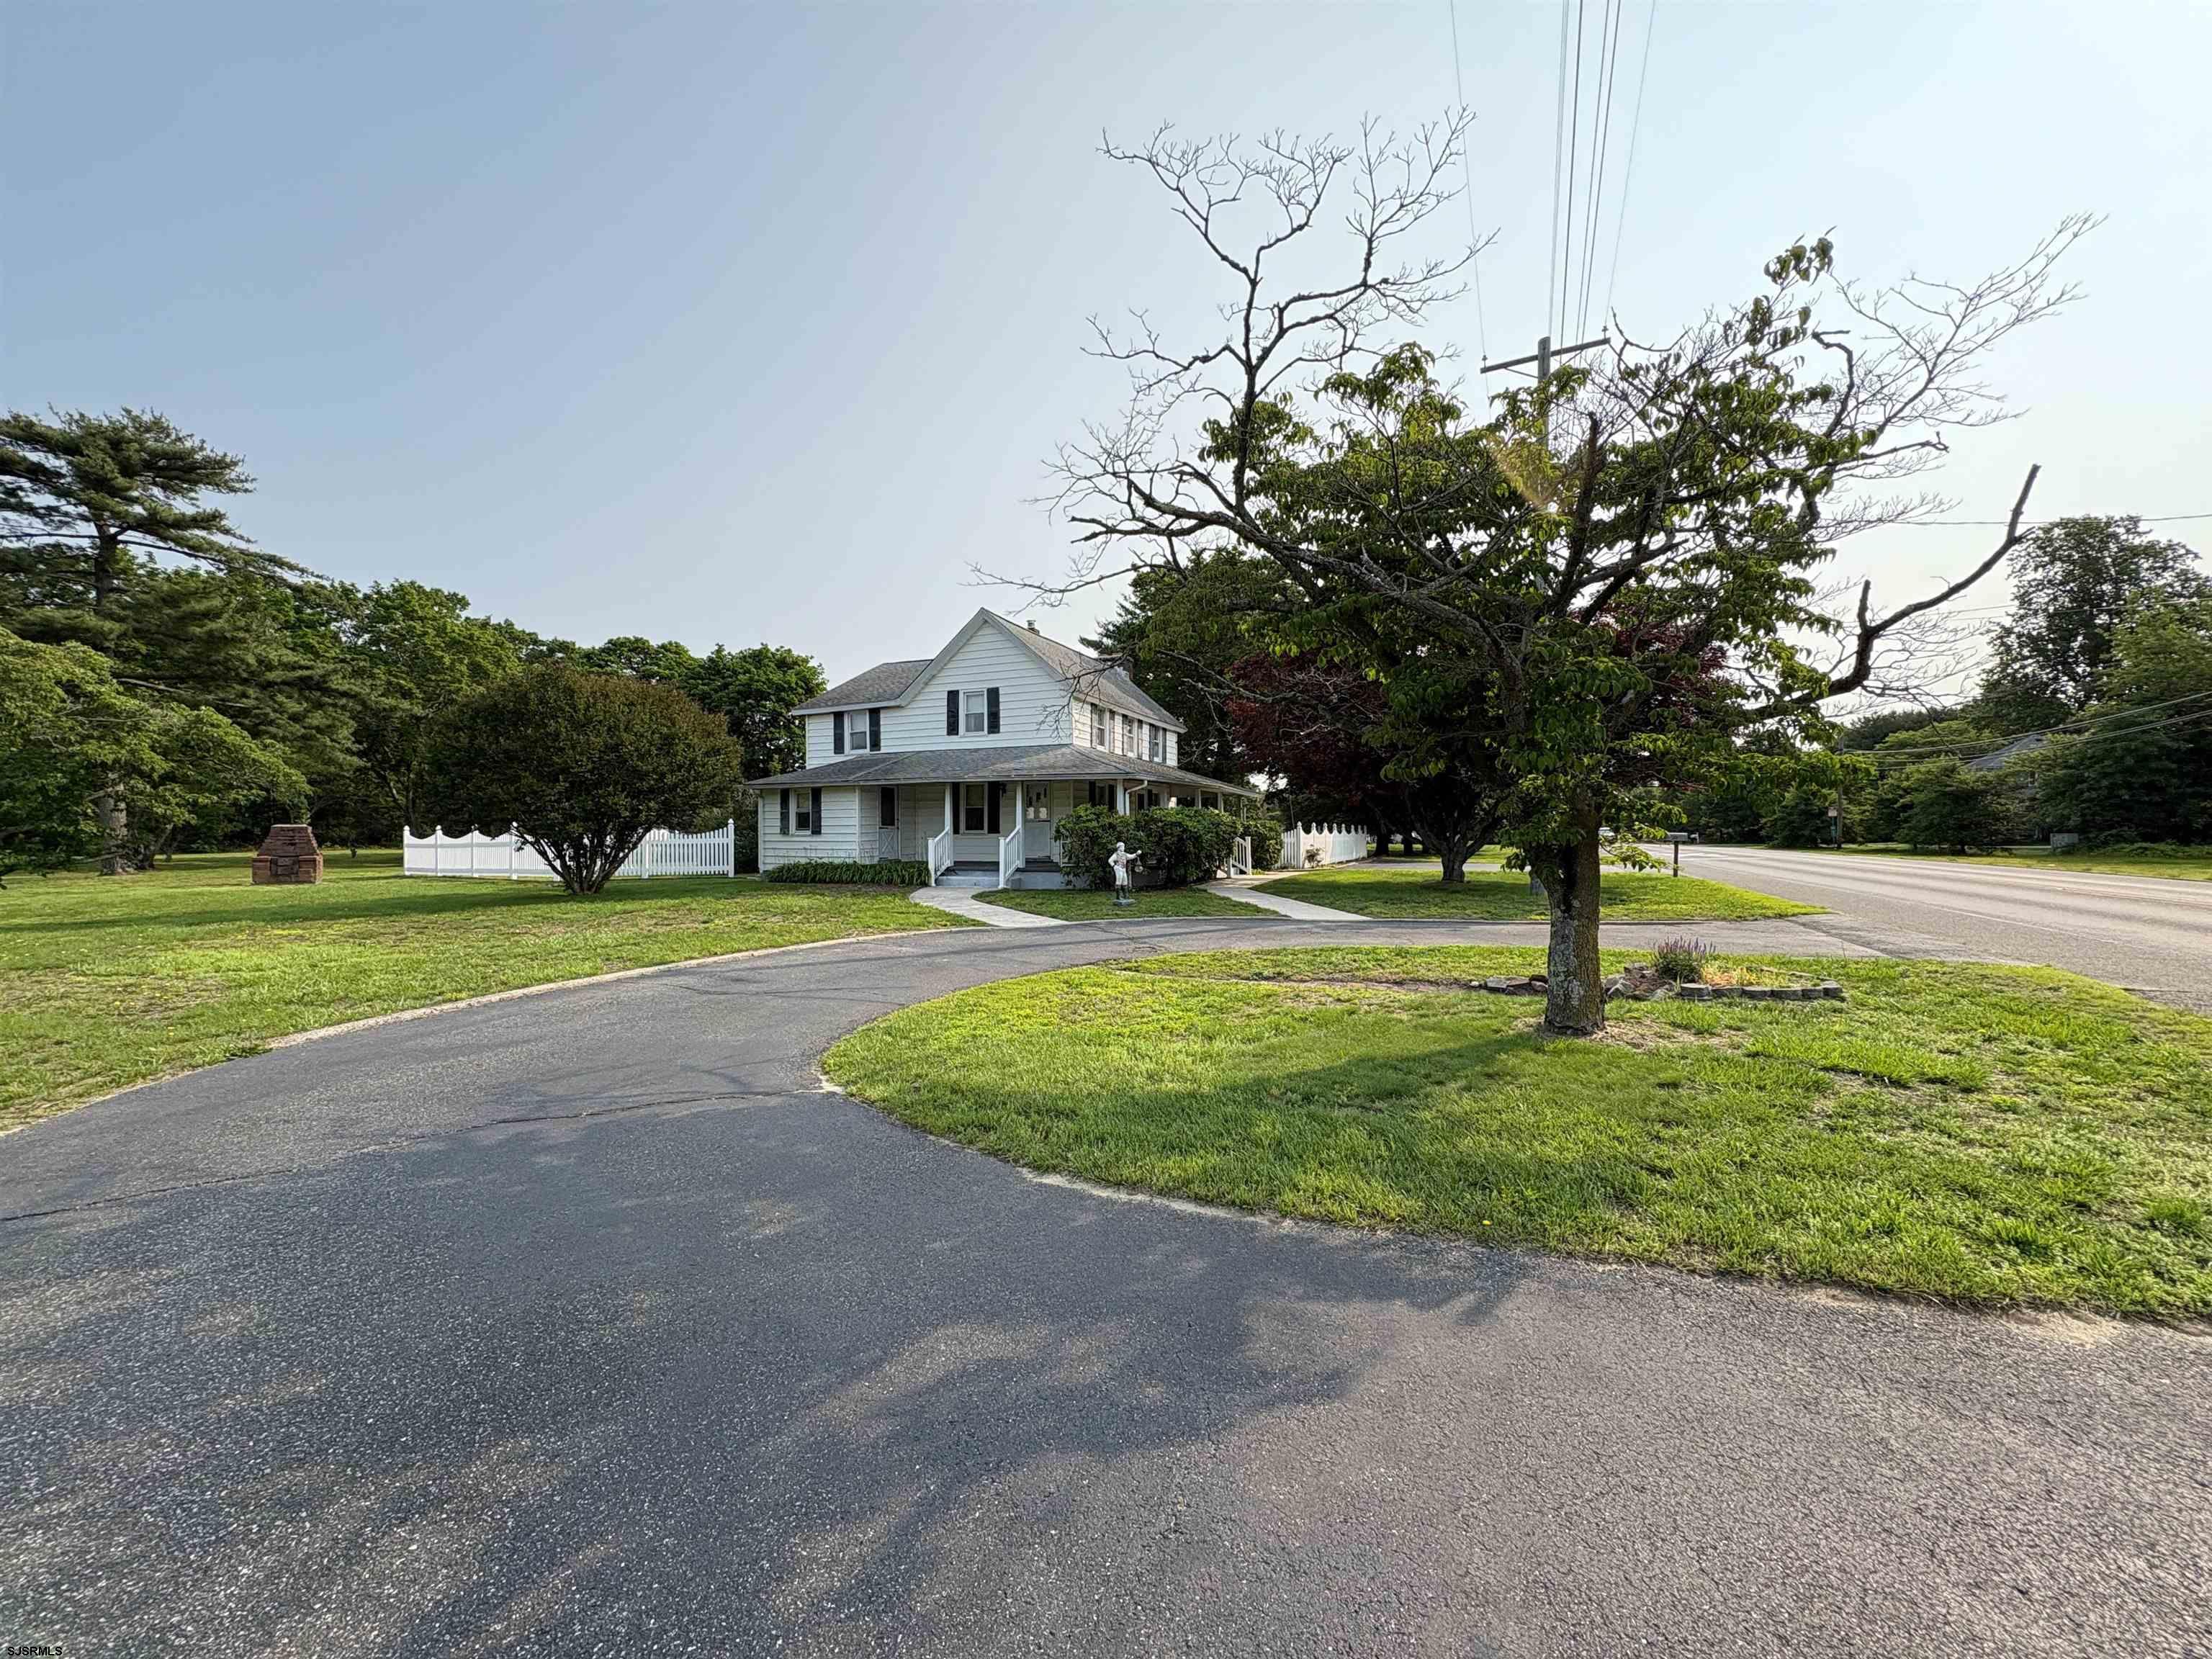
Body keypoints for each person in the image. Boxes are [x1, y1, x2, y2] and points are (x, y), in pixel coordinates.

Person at [1108, 840, 1141, 904]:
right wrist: (1114, 866)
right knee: (1119, 881)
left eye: (1124, 847)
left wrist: (1136, 854)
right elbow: (1110, 860)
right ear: (1119, 848)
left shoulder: (1125, 854)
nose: (1123, 848)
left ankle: (1126, 896)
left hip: (1123, 870)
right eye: (1122, 847)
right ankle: (1118, 896)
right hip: (1119, 869)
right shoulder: (1116, 855)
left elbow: (1131, 856)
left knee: (1125, 882)